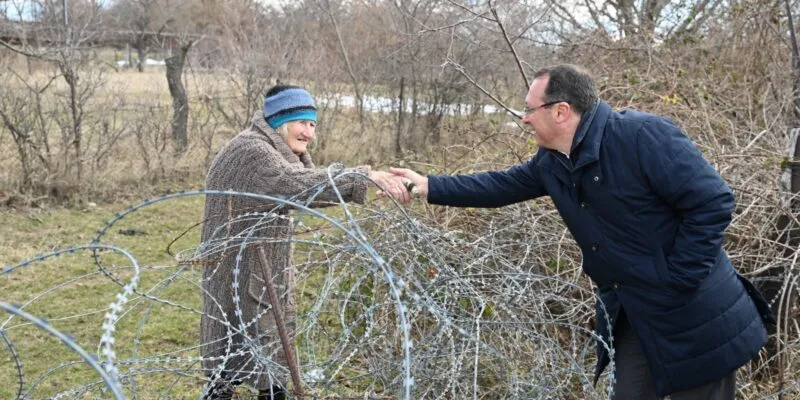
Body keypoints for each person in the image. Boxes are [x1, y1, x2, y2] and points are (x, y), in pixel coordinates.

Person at [391, 64, 775, 399]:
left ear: (561, 111)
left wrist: (680, 277)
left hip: (696, 313)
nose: (524, 118)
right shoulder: (554, 162)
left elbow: (713, 201)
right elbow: (501, 186)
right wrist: (428, 185)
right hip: (635, 311)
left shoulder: (641, 136)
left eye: (529, 109)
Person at [199, 84, 409, 399]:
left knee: (251, 362)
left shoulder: (268, 148)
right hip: (243, 280)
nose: (309, 133)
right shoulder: (252, 151)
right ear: (280, 120)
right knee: (250, 364)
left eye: (313, 124)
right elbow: (295, 185)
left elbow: (298, 183)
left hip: (255, 273)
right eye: (301, 122)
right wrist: (361, 178)